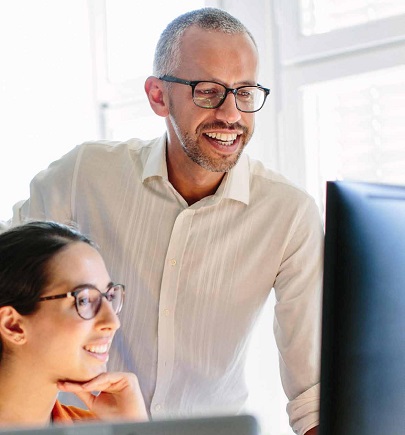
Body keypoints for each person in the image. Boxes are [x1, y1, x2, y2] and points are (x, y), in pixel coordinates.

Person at [9, 8, 323, 435]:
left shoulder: (290, 215)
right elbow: (6, 281)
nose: (231, 115)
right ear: (158, 96)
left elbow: (314, 395)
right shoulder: (85, 173)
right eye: (208, 91)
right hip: (75, 428)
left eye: (245, 92)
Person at [0, 221, 147, 428]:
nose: (113, 322)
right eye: (84, 300)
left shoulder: (98, 429)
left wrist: (136, 429)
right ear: (13, 325)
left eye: (109, 296)